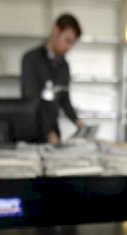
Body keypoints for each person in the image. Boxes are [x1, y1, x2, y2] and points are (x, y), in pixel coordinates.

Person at [21, 13, 85, 144]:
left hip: (54, 133)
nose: (69, 48)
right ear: (56, 31)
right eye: (67, 41)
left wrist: (76, 120)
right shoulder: (31, 60)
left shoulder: (64, 66)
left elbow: (64, 99)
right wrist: (48, 132)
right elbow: (32, 101)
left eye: (72, 44)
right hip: (35, 134)